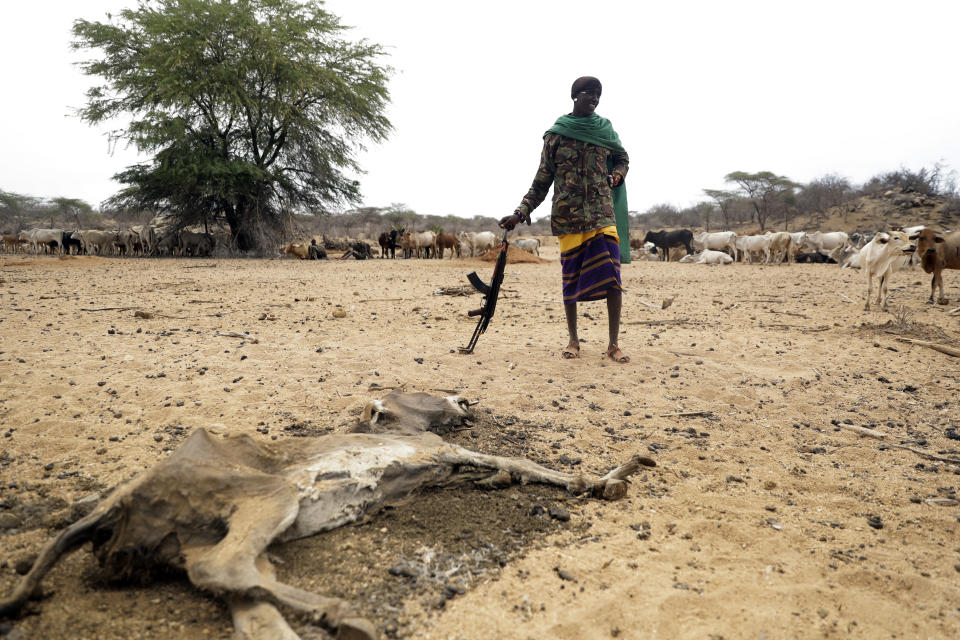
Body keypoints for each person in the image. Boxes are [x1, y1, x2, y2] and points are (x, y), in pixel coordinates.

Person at [499, 76, 630, 363]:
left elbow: (622, 158)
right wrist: (520, 212)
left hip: (601, 215)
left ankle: (613, 344)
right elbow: (542, 180)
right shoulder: (556, 135)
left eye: (598, 94)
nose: (594, 98)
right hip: (568, 218)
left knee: (613, 278)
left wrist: (616, 176)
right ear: (574, 96)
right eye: (589, 94)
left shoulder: (605, 130)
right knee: (570, 280)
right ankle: (573, 340)